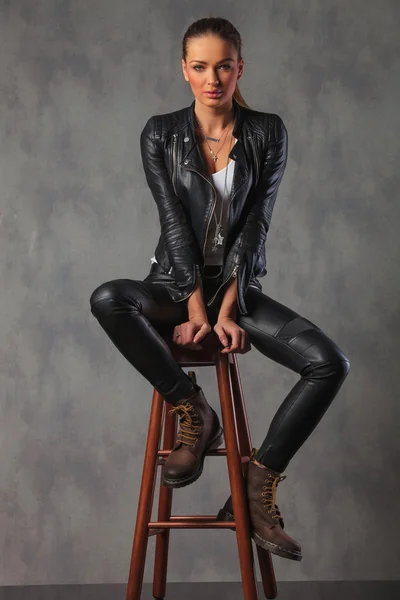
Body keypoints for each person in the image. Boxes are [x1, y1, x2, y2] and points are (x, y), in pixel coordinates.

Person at [89, 17, 350, 562]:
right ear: (184, 70)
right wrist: (193, 307)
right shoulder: (160, 132)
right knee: (109, 298)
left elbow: (257, 223)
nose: (214, 78)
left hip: (238, 290)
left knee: (329, 362)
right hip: (172, 283)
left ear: (239, 69)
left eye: (224, 66)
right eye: (201, 66)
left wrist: (227, 307)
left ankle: (256, 485)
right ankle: (192, 408)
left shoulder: (266, 131)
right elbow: (174, 223)